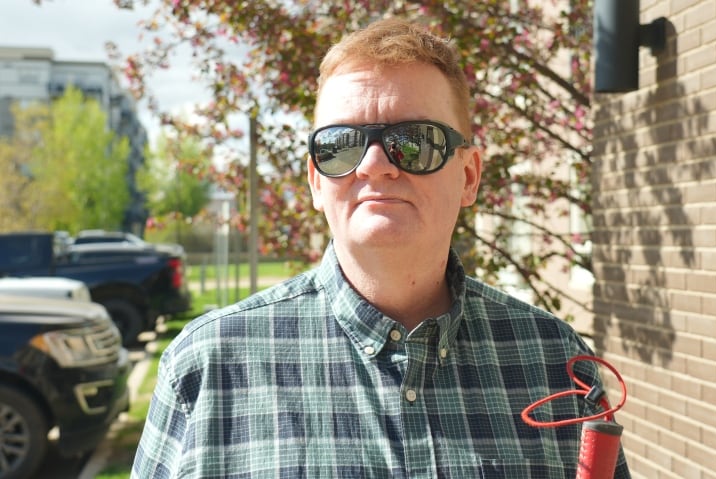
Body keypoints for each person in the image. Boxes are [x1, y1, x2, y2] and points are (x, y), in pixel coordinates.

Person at [132, 17, 631, 478]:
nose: (373, 164)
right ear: (314, 181)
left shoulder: (556, 365)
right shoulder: (206, 370)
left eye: (414, 140)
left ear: (470, 175)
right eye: (339, 144)